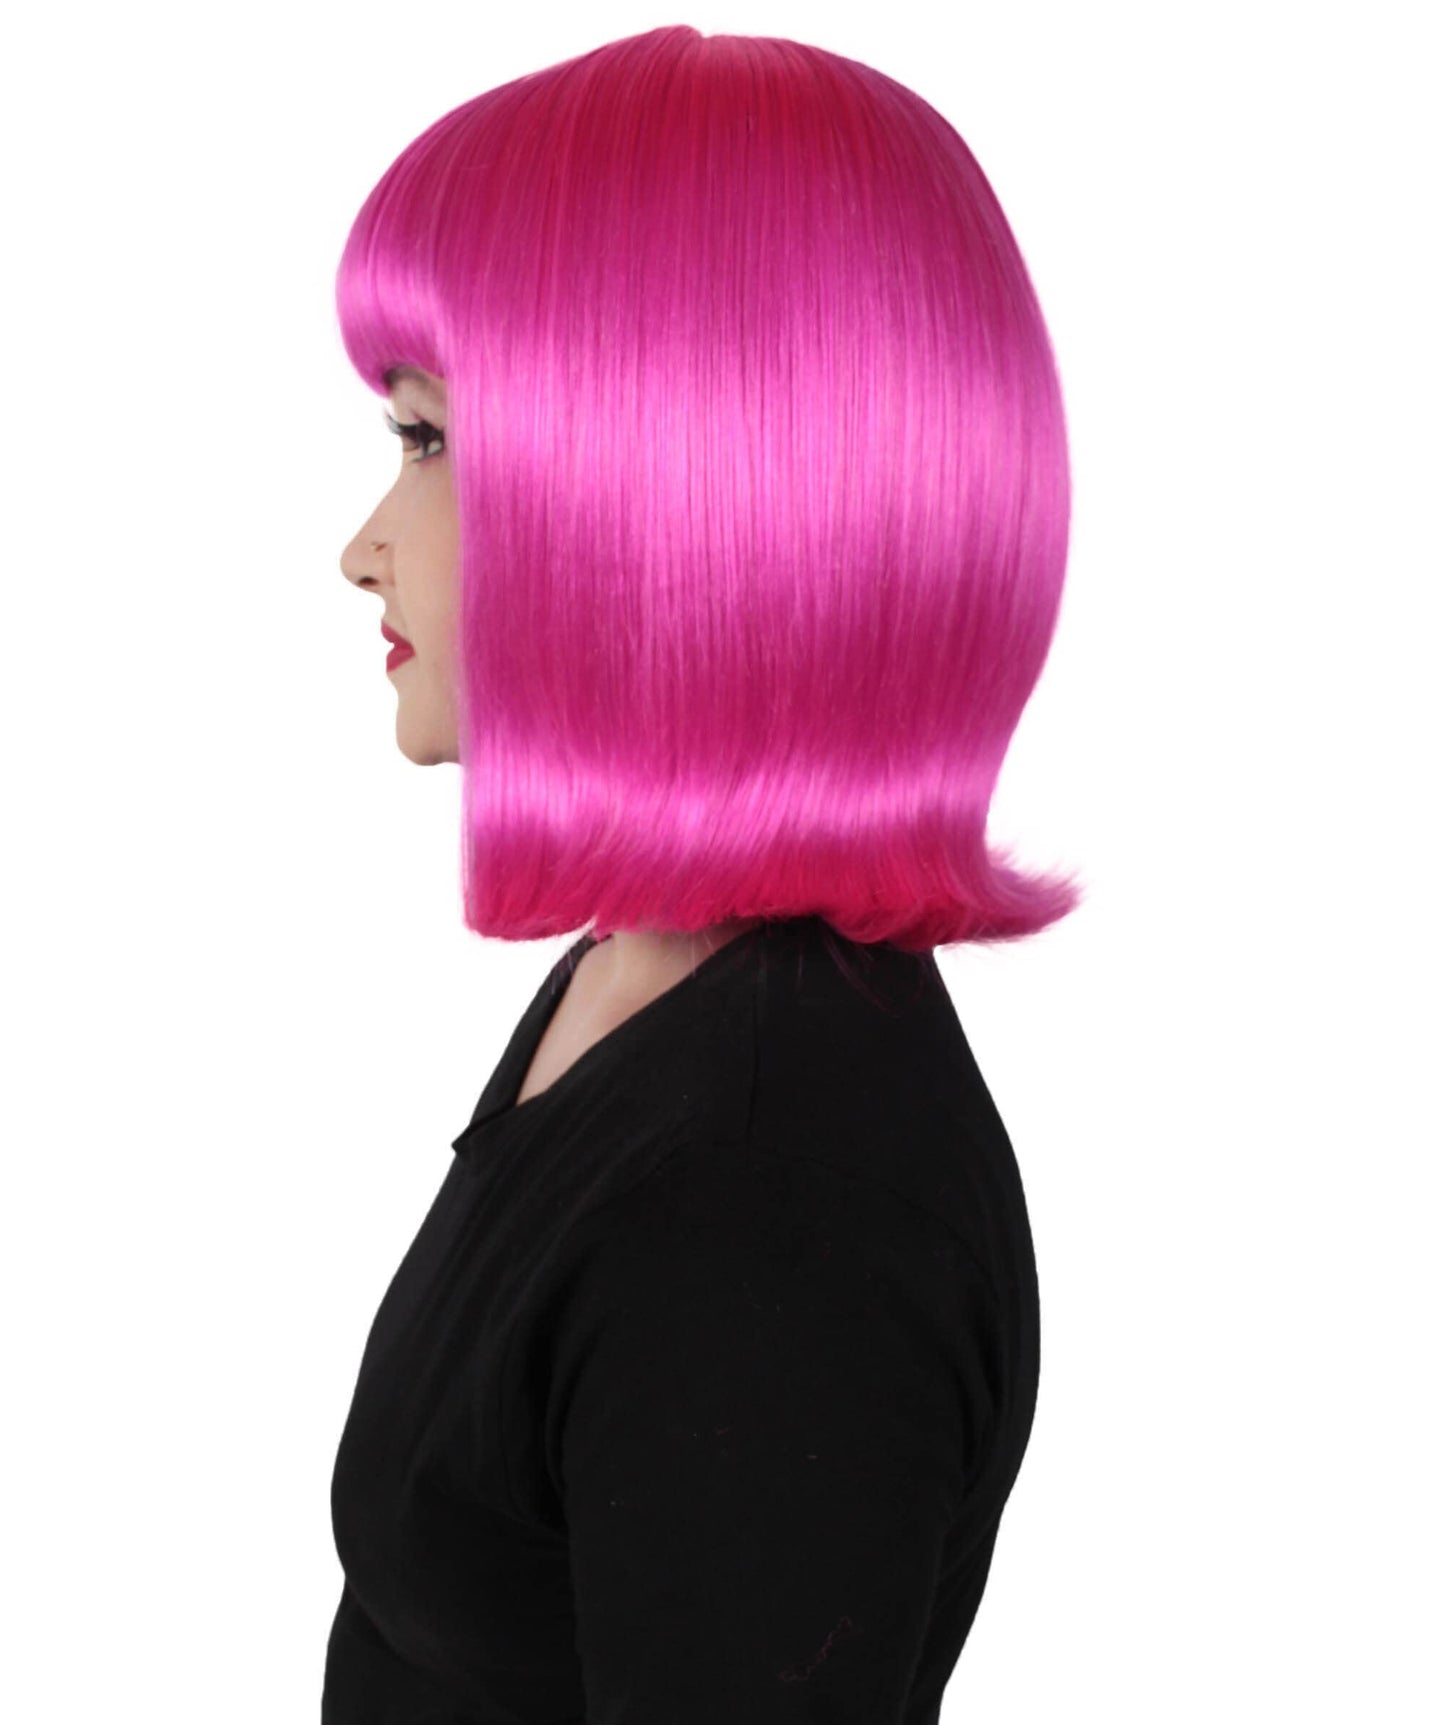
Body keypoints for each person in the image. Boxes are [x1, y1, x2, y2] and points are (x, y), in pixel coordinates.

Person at [323, 24, 1081, 1723]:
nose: (361, 543)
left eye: (427, 439)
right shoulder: (651, 978)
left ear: (665, 493)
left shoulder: (769, 1201)